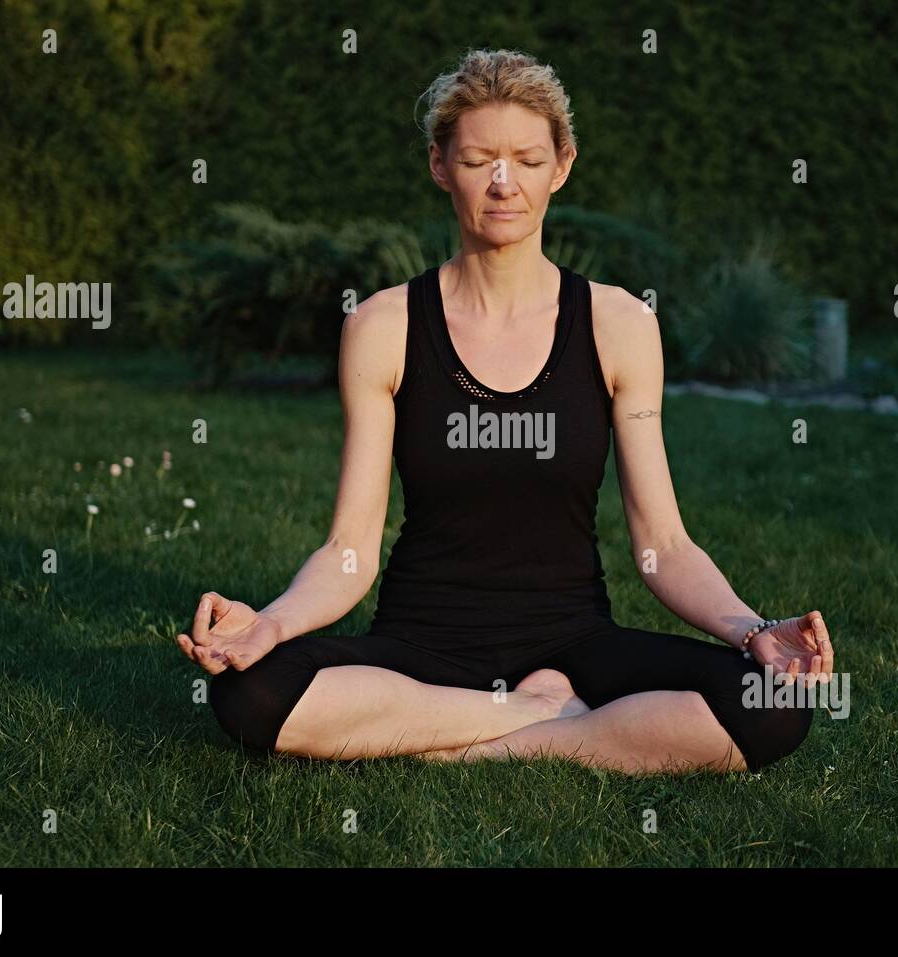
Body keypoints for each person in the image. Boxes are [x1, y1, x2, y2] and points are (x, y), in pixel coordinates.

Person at [175, 48, 834, 775]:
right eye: (478, 159)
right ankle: (536, 719)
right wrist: (271, 623)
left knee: (772, 705)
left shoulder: (618, 324)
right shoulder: (383, 325)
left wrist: (755, 632)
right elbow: (348, 551)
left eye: (525, 159)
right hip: (422, 642)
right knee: (247, 693)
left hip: (573, 641)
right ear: (438, 165)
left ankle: (460, 742)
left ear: (562, 166)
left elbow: (665, 547)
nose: (501, 183)